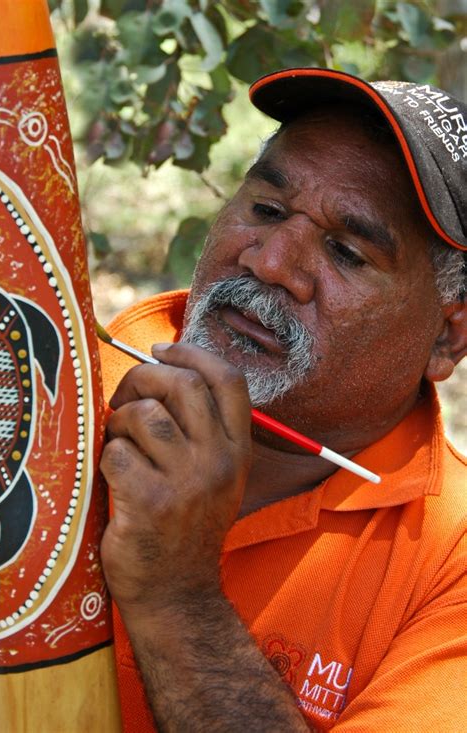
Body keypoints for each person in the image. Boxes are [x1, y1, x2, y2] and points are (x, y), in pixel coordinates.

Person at [98, 68, 467, 732]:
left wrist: (178, 596)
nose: (270, 262)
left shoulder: (450, 561)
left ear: (447, 335)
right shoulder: (60, 379)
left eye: (346, 251)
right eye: (266, 210)